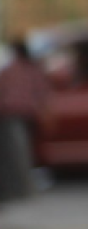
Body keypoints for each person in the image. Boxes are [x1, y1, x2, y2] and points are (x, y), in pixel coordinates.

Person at [0, 40, 50, 203]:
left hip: (11, 115)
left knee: (15, 154)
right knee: (20, 154)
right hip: (21, 116)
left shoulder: (10, 71)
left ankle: (20, 189)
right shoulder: (32, 70)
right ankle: (23, 189)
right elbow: (43, 94)